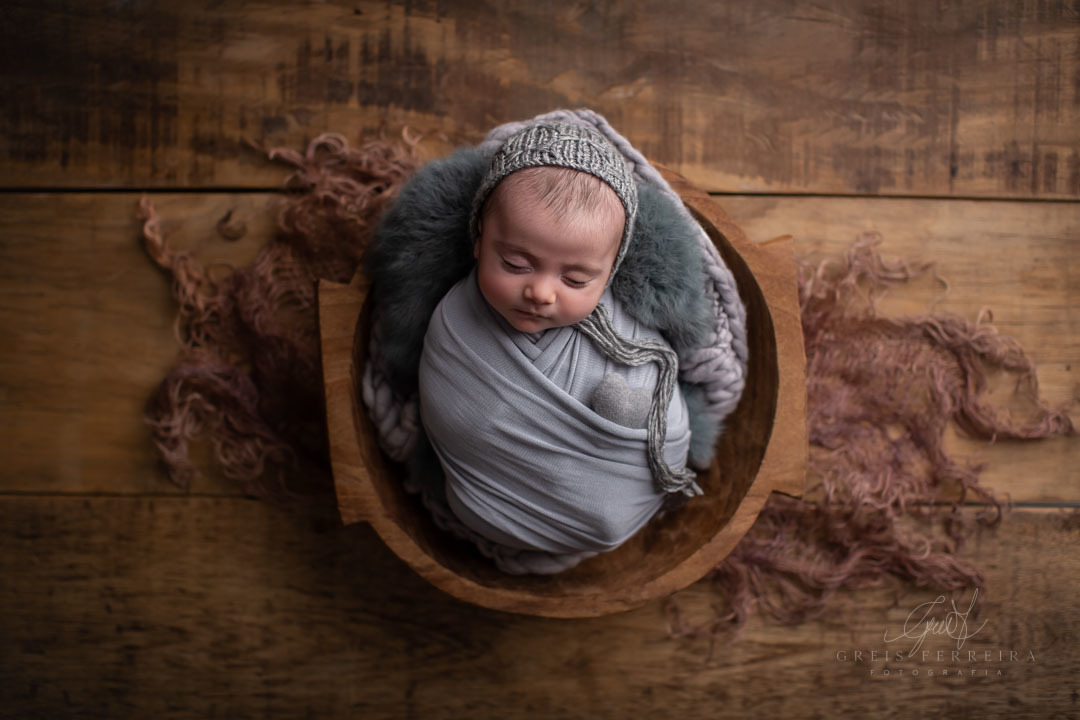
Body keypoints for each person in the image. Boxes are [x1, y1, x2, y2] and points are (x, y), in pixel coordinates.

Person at [416, 120, 698, 573]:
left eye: (576, 279)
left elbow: (664, 411)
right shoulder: (454, 324)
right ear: (479, 239)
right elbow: (452, 415)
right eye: (515, 264)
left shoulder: (624, 330)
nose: (541, 293)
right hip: (491, 507)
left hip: (621, 507)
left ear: (609, 275)